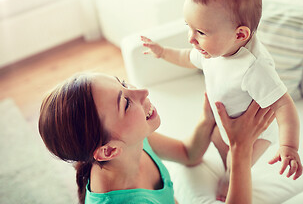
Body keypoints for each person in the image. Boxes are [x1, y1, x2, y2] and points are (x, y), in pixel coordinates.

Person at [142, 0, 303, 201]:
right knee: (218, 141)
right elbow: (187, 57)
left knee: (235, 161)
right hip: (225, 119)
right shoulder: (214, 49)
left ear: (239, 35)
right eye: (189, 26)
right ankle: (227, 160)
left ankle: (231, 177)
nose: (191, 38)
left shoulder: (253, 67)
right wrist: (163, 52)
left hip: (255, 133)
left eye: (200, 31)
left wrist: (289, 147)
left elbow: (284, 106)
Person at [39, 72, 275, 204]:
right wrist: (241, 149)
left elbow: (187, 154)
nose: (142, 92)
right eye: (126, 102)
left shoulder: (134, 144)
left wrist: (207, 119)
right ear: (108, 151)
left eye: (122, 83)